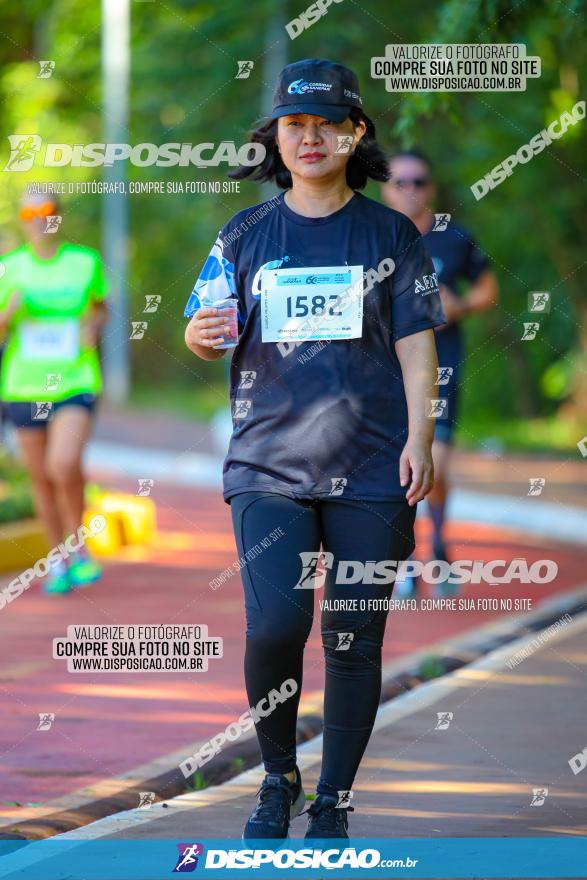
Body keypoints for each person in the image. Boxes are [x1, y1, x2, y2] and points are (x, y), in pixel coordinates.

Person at [184, 59, 445, 841]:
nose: (311, 137)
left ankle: (331, 799)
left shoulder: (390, 232)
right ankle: (277, 777)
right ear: (275, 138)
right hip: (268, 465)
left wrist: (420, 438)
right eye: (295, 125)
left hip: (372, 465)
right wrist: (197, 338)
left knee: (352, 637)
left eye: (328, 123)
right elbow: (206, 327)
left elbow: (415, 347)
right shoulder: (244, 234)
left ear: (355, 133)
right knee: (274, 628)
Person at [382, 150, 498, 594]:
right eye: (400, 181)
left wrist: (462, 305)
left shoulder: (453, 238)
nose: (410, 189)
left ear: (431, 187)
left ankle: (441, 543)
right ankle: (407, 559)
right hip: (385, 370)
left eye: (419, 181)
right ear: (384, 187)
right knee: (396, 465)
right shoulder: (372, 237)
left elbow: (489, 287)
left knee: (437, 463)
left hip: (441, 367)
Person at [0, 192, 109, 594]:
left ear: (57, 218)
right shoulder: (8, 268)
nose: (37, 219)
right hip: (23, 384)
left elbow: (100, 308)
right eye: (28, 212)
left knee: (63, 463)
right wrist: (7, 316)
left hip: (74, 380)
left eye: (45, 212)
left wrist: (93, 328)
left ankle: (77, 545)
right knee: (41, 477)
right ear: (22, 219)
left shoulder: (84, 263)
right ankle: (58, 559)